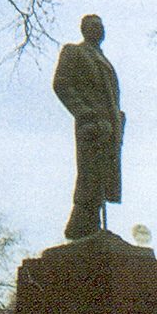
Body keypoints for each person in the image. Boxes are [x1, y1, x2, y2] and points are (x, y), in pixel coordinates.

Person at [53, 14, 126, 240]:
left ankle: (90, 226)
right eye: (94, 26)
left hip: (110, 128)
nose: (99, 29)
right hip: (92, 125)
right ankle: (80, 227)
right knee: (90, 175)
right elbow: (61, 84)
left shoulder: (105, 60)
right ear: (84, 29)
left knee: (103, 179)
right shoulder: (74, 52)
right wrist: (85, 114)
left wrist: (119, 121)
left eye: (101, 25)